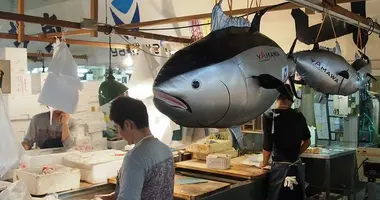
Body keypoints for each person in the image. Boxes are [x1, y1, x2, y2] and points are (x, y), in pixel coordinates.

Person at [96, 96, 174, 200]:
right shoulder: (166, 150)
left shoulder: (134, 158)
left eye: (117, 127)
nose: (119, 134)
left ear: (128, 125)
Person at [260, 84, 311, 200]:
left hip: (280, 170)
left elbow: (267, 147)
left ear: (276, 98)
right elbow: (307, 142)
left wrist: (263, 163)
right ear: (291, 99)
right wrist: (296, 154)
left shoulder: (269, 116)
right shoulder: (299, 116)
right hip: (296, 167)